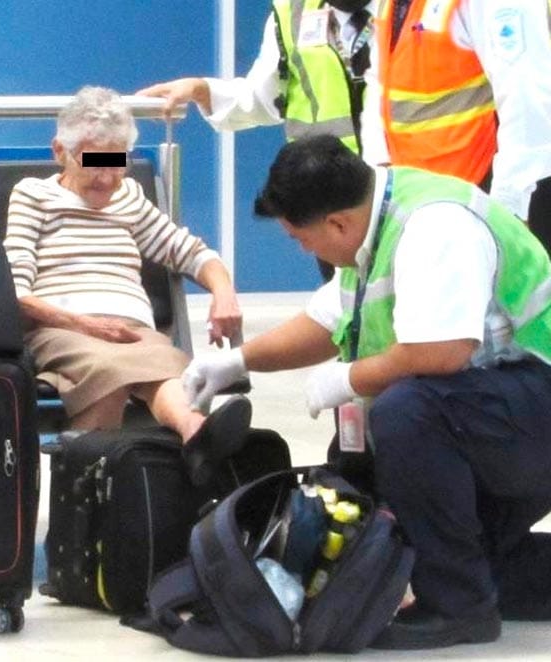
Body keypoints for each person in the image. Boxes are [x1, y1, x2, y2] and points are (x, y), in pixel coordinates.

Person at [183, 133, 551, 648]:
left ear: (336, 222)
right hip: (506, 413)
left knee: (408, 410)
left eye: (301, 238)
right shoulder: (373, 231)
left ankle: (459, 609)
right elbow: (322, 321)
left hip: (535, 405)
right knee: (458, 558)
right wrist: (237, 362)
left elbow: (441, 354)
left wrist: (346, 378)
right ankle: (470, 581)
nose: (304, 249)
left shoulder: (434, 226)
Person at [5, 86, 250, 485]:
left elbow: (188, 251)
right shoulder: (34, 196)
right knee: (108, 372)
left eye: (117, 163)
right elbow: (16, 292)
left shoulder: (129, 197)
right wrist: (87, 326)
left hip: (130, 328)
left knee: (165, 362)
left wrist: (223, 292)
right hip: (62, 328)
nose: (107, 179)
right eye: (94, 163)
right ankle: (91, 500)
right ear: (59, 152)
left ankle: (194, 432)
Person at [137, 0, 377, 281]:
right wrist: (201, 90)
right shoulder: (293, 12)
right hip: (327, 197)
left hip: (403, 190)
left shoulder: (422, 11)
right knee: (349, 307)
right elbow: (262, 98)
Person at [362, 0, 551, 253]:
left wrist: (507, 210)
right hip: (425, 201)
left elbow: (525, 99)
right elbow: (380, 80)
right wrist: (382, 177)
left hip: (489, 195)